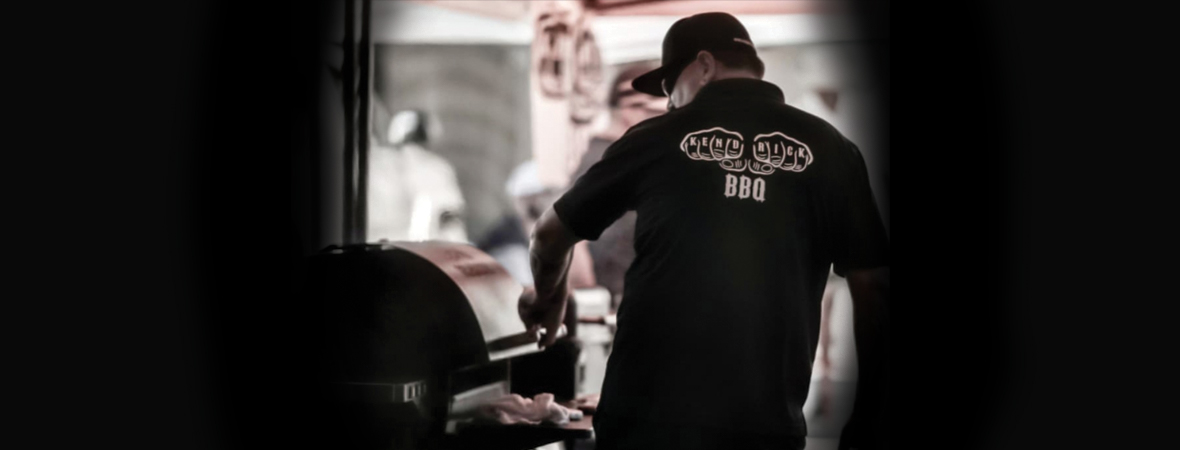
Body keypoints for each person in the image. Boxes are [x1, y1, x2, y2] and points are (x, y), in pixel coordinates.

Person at [519, 12, 890, 450]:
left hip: (647, 419)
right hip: (765, 426)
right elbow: (873, 286)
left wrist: (550, 296)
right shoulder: (832, 149)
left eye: (668, 87)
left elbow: (548, 236)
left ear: (705, 65)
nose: (669, 104)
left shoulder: (654, 138)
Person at [572, 62, 667, 310]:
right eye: (656, 113)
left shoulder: (622, 154)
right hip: (617, 297)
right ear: (629, 108)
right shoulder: (607, 157)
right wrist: (592, 297)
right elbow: (573, 239)